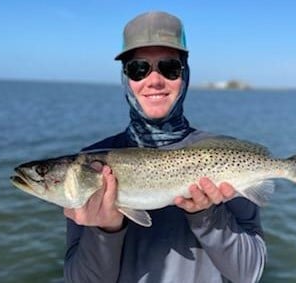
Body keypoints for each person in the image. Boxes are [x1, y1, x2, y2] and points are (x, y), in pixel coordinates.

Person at [63, 11, 266, 283]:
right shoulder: (89, 164)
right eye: (139, 68)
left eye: (170, 67)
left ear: (185, 75)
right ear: (126, 78)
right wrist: (104, 230)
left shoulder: (226, 156)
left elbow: (249, 273)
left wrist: (207, 215)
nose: (155, 80)